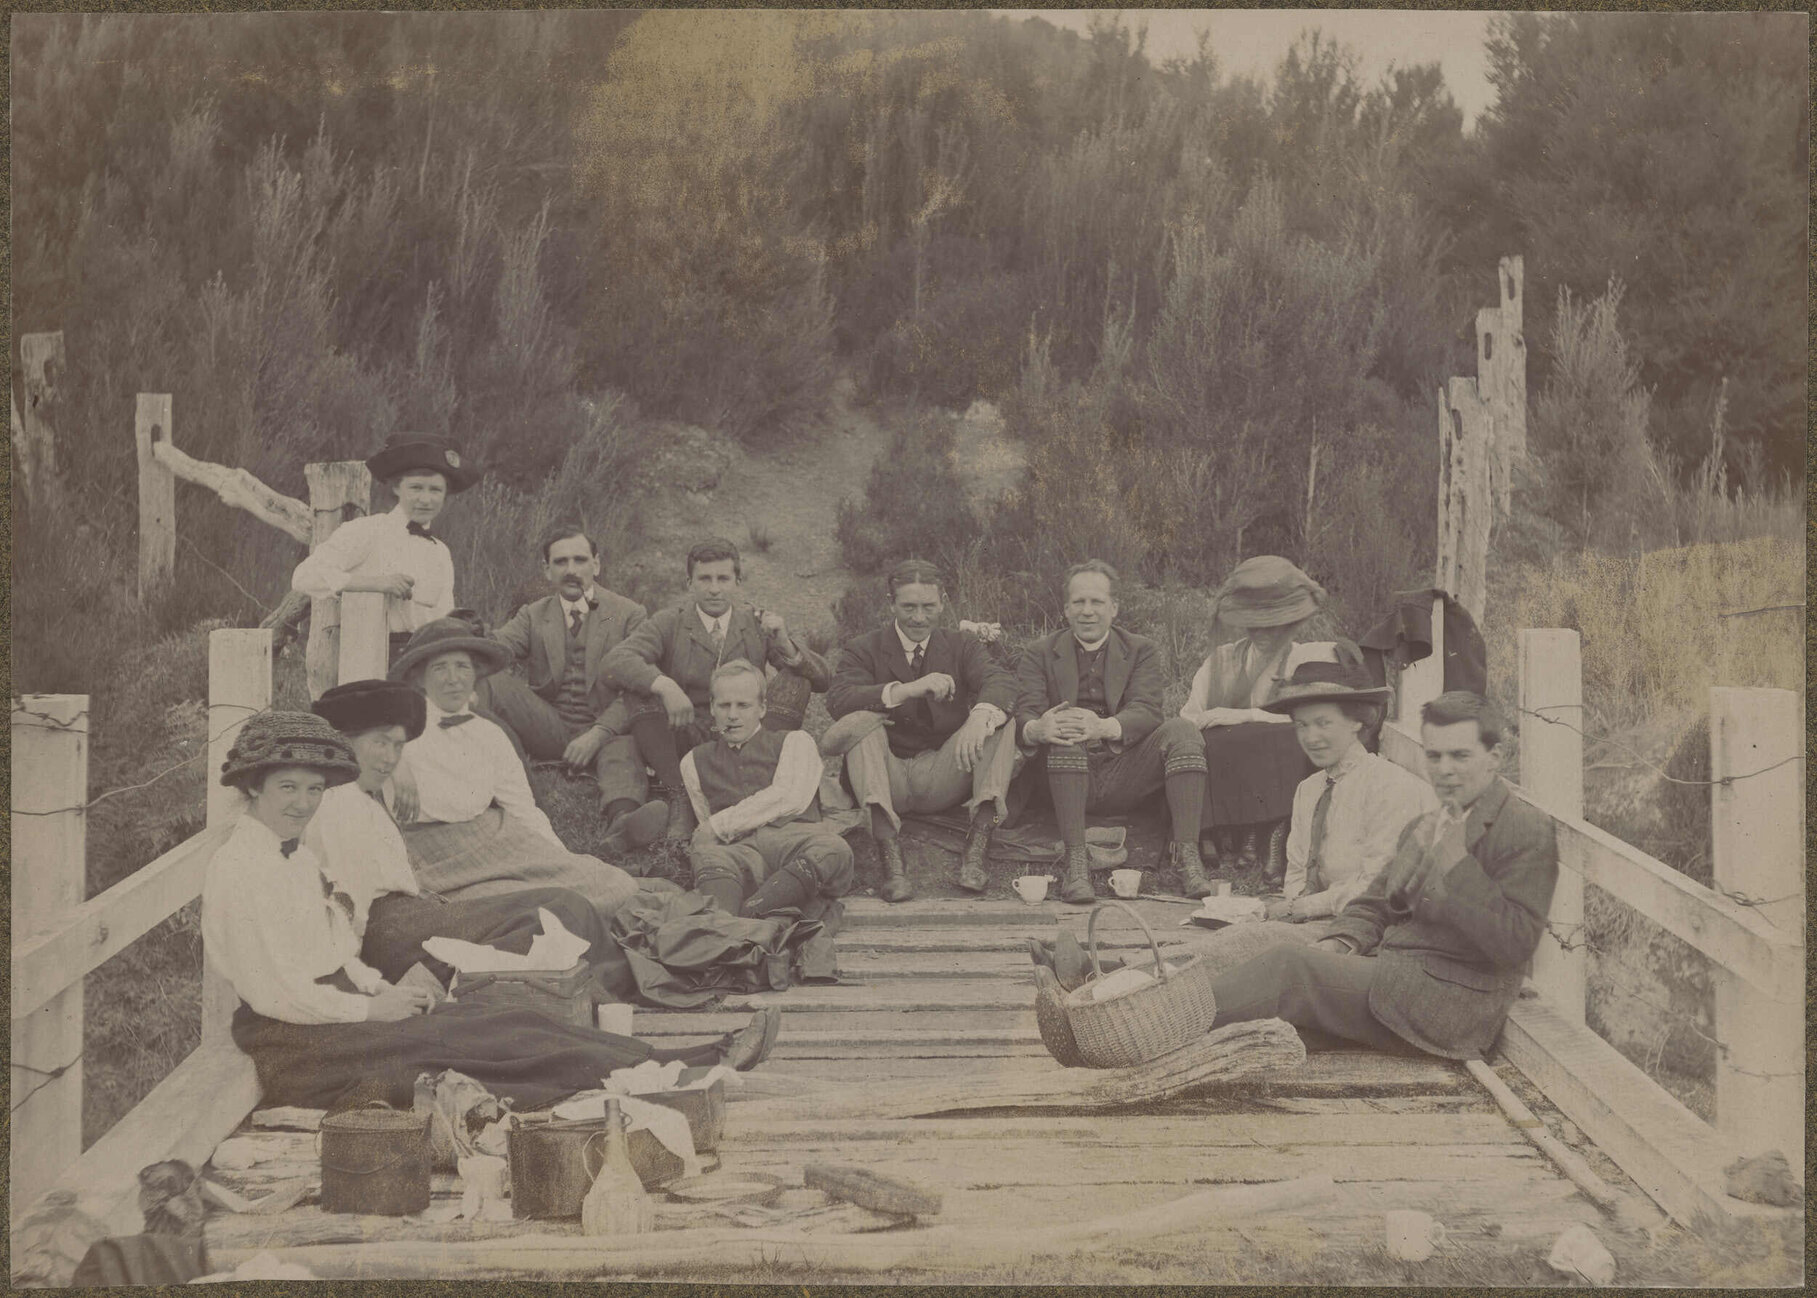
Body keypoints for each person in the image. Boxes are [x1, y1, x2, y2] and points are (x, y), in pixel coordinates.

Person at [203, 711, 781, 1113]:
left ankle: (687, 1060)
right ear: (252, 790)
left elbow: (336, 957)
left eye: (311, 790)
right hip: (300, 1046)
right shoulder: (240, 870)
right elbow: (281, 994)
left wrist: (383, 986)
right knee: (495, 1042)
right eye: (287, 789)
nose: (303, 804)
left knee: (511, 1022)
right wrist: (376, 1010)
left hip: (339, 1014)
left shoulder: (294, 857)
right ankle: (677, 1071)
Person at [1206, 692, 1559, 1060]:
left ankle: (1155, 1031)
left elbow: (1516, 944)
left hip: (1449, 1003)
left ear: (1495, 758)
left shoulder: (1524, 829)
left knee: (1288, 968)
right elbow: (1375, 902)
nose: (1445, 770)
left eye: (1460, 756)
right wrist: (1340, 942)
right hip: (1396, 973)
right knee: (1260, 994)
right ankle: (1166, 1030)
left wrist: (1457, 868)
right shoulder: (1431, 825)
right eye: (1435, 757)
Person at [305, 678, 621, 983]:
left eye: (398, 746)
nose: (390, 758)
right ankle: (611, 987)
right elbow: (344, 911)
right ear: (344, 741)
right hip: (392, 939)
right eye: (380, 743)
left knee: (557, 910)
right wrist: (362, 985)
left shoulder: (364, 799)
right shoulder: (338, 806)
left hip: (413, 921)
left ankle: (598, 985)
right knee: (559, 912)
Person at [387, 617, 639, 921]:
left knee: (616, 887)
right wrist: (395, 762)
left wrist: (561, 858)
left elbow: (522, 808)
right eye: (439, 668)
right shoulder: (394, 730)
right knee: (529, 911)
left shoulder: (489, 734)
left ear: (476, 674)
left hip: (494, 839)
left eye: (462, 667)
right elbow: (349, 750)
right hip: (432, 856)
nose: (453, 678)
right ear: (418, 679)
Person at [604, 537, 832, 841]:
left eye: (723, 578)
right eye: (705, 579)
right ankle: (680, 795)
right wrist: (666, 685)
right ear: (689, 583)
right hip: (688, 732)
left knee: (797, 678)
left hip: (747, 732)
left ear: (737, 581)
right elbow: (616, 660)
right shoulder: (669, 622)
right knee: (639, 690)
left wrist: (784, 642)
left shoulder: (754, 622)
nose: (714, 589)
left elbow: (822, 680)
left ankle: (759, 771)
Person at [1015, 560, 1211, 904]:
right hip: (1061, 775)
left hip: (1124, 771)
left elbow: (1148, 709)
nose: (1087, 612)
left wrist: (1102, 726)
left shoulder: (1141, 649)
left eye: (1097, 602)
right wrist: (1039, 728)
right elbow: (1024, 714)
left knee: (1183, 731)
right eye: (1078, 602)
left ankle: (1187, 857)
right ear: (1065, 609)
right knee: (1065, 735)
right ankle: (1076, 865)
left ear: (1114, 608)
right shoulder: (1039, 652)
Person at [824, 559, 1021, 901]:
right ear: (891, 604)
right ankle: (889, 855)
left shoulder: (961, 644)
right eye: (908, 607)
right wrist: (906, 689)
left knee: (1001, 720)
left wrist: (979, 716)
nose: (918, 617)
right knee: (861, 724)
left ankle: (978, 844)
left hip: (944, 772)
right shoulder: (864, 648)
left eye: (928, 606)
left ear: (943, 602)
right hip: (886, 778)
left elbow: (1000, 680)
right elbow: (839, 700)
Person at [474, 525, 668, 859]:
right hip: (551, 726)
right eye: (561, 562)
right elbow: (497, 647)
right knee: (488, 679)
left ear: (596, 564)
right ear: (546, 570)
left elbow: (643, 685)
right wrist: (468, 634)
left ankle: (622, 823)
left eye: (580, 560)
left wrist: (598, 733)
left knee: (625, 744)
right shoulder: (533, 614)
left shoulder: (629, 614)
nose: (571, 570)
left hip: (609, 728)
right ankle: (487, 782)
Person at [1261, 660, 1440, 924]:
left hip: (1374, 926)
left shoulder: (1390, 786)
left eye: (1323, 723)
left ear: (1356, 722)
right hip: (1313, 924)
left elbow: (1378, 886)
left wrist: (1305, 909)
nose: (1311, 738)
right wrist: (1293, 910)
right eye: (1302, 725)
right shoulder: (1308, 790)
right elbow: (1297, 873)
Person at [1181, 555, 1328, 876]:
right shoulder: (1223, 660)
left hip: (1278, 767)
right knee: (1213, 736)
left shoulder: (1302, 661)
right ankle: (1221, 833)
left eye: (1273, 623)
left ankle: (1269, 835)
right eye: (1254, 622)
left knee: (1282, 735)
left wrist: (1242, 715)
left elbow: (1308, 718)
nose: (1262, 631)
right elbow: (1190, 718)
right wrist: (1217, 721)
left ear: (1289, 623)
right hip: (1229, 772)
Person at [679, 660, 855, 920]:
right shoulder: (693, 761)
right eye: (724, 705)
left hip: (795, 842)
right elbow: (706, 824)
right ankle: (728, 924)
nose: (733, 715)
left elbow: (790, 797)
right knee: (708, 856)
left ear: (762, 708)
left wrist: (718, 825)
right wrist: (714, 833)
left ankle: (748, 916)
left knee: (833, 849)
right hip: (741, 854)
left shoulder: (794, 742)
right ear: (713, 709)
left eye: (743, 705)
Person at [291, 432, 475, 662]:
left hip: (427, 661)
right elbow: (304, 577)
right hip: (373, 659)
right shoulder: (367, 531)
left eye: (435, 490)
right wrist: (378, 583)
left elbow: (442, 616)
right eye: (416, 488)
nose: (426, 499)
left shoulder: (440, 551)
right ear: (397, 487)